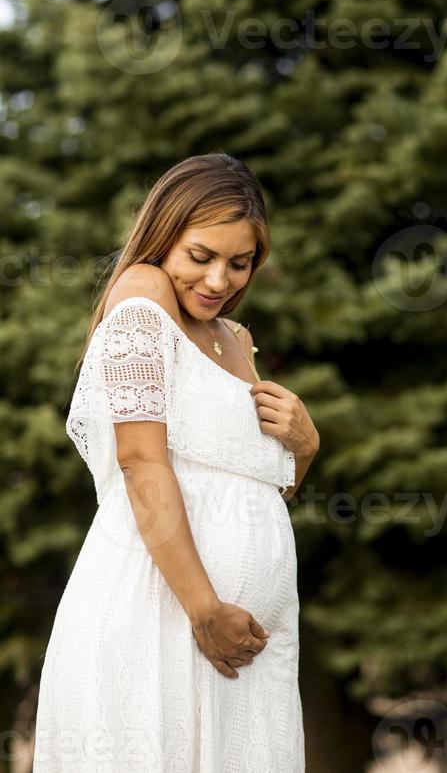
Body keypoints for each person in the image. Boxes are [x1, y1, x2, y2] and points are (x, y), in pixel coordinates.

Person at [32, 152, 320, 771]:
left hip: (249, 650)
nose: (219, 281)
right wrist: (204, 609)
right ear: (163, 237)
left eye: (239, 264)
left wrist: (305, 447)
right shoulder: (142, 297)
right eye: (201, 256)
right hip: (166, 616)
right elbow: (141, 463)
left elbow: (255, 491)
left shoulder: (234, 339)